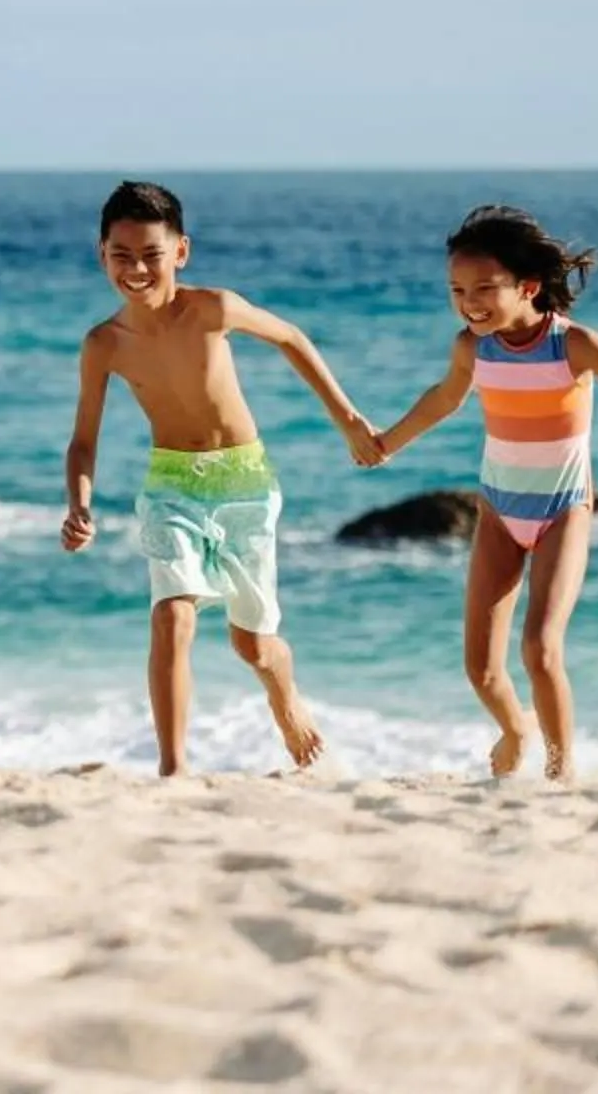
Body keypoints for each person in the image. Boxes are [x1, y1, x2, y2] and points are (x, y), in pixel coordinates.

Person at [61, 181, 379, 774]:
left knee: (253, 645)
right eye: (121, 255)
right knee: (171, 614)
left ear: (180, 252)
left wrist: (348, 419)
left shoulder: (214, 309)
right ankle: (173, 767)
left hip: (244, 484)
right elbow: (83, 441)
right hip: (170, 487)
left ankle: (284, 695)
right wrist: (78, 504)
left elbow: (291, 338)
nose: (136, 269)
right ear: (101, 254)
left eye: (151, 255)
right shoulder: (104, 344)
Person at [368, 205, 598, 781]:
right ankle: (517, 728)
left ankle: (561, 776)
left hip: (563, 511)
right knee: (481, 672)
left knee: (540, 650)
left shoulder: (576, 346)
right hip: (497, 511)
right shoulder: (473, 347)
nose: (470, 302)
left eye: (486, 288)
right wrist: (386, 442)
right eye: (458, 289)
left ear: (529, 286)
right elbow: (443, 400)